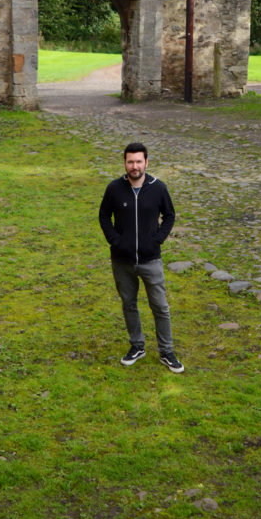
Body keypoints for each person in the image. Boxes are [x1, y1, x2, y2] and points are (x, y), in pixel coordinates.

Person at [98, 141, 184, 373]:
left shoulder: (158, 188)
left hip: (150, 260)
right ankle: (137, 346)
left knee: (160, 306)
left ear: (146, 162)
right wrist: (115, 241)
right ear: (125, 163)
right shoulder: (114, 189)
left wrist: (156, 240)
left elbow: (169, 215)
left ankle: (166, 351)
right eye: (130, 162)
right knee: (129, 304)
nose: (134, 166)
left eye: (138, 161)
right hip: (122, 260)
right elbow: (104, 216)